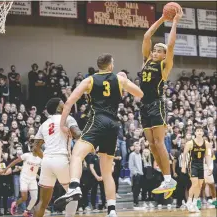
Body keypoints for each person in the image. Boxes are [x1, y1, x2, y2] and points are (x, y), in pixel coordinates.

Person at [54, 53, 144, 217]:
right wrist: (124, 81)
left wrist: (62, 124)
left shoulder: (89, 80)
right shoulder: (119, 79)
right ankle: (111, 211)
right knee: (107, 172)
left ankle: (74, 186)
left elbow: (68, 103)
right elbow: (139, 93)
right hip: (113, 125)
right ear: (110, 65)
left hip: (97, 121)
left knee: (77, 155)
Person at [140, 8, 183, 198]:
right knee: (151, 145)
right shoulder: (146, 60)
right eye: (155, 50)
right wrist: (162, 18)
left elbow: (171, 45)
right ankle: (167, 179)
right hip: (144, 106)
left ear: (164, 56)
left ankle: (168, 179)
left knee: (159, 142)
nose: (156, 51)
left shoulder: (164, 66)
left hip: (156, 104)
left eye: (160, 50)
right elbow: (147, 35)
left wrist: (174, 21)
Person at [33, 98, 81, 217]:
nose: (65, 105)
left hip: (46, 161)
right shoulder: (67, 118)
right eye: (63, 103)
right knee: (73, 193)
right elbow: (78, 134)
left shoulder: (44, 124)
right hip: (62, 159)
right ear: (59, 107)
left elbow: (35, 149)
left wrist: (46, 158)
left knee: (42, 202)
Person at [2, 147, 42, 217]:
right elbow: (15, 161)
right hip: (24, 178)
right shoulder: (26, 155)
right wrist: (6, 168)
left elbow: (35, 171)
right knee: (24, 197)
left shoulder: (40, 160)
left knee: (34, 198)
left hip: (32, 180)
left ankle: (26, 211)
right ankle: (15, 203)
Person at [181, 126, 213, 213]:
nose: (199, 132)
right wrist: (183, 166)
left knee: (200, 185)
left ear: (203, 133)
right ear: (195, 133)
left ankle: (194, 203)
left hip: (201, 166)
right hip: (192, 165)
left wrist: (210, 167)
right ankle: (189, 202)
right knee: (194, 183)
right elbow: (184, 155)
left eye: (201, 131)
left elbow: (208, 156)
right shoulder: (190, 143)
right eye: (197, 131)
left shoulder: (206, 144)